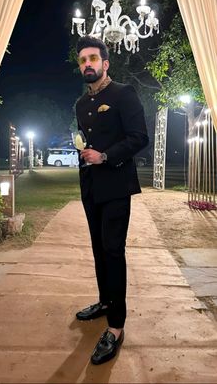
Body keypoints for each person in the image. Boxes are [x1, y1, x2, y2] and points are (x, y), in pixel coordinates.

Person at [75, 36, 149, 365]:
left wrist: (105, 155)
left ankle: (116, 327)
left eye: (93, 58)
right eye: (82, 60)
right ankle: (105, 302)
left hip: (117, 186)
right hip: (91, 187)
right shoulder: (81, 104)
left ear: (105, 63)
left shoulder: (123, 94)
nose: (87, 64)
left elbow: (139, 137)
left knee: (112, 251)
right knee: (97, 248)